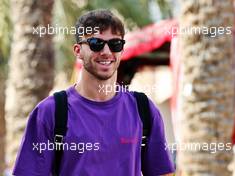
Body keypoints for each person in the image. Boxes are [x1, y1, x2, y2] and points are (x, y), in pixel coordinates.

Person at [13, 9, 175, 176]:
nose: (106, 51)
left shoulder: (144, 110)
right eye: (96, 43)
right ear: (78, 51)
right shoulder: (50, 112)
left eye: (115, 44)